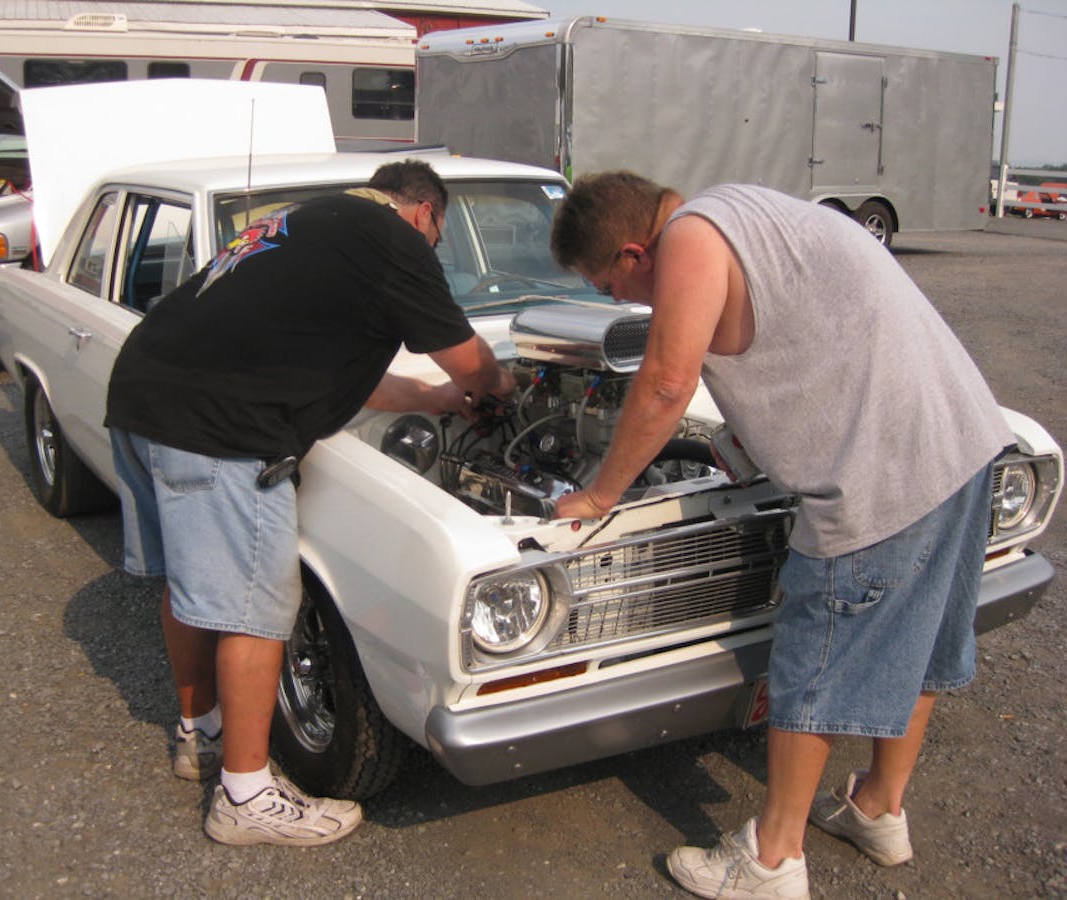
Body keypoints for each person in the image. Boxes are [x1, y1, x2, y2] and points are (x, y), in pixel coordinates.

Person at [549, 172, 1012, 899]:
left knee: (814, 660)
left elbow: (668, 382)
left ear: (636, 252)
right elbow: (807, 341)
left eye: (607, 284)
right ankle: (879, 808)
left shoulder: (693, 242)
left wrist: (602, 492)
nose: (615, 302)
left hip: (880, 473)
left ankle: (769, 861)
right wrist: (740, 447)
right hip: (960, 441)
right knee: (916, 638)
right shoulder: (744, 211)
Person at [104, 159, 516, 847]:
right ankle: (245, 797)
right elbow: (470, 360)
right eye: (435, 238)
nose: (429, 251)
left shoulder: (309, 220)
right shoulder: (392, 236)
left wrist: (435, 399)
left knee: (195, 582)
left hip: (145, 393)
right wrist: (498, 389)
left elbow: (343, 371)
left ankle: (199, 733)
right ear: (424, 212)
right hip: (221, 425)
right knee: (256, 607)